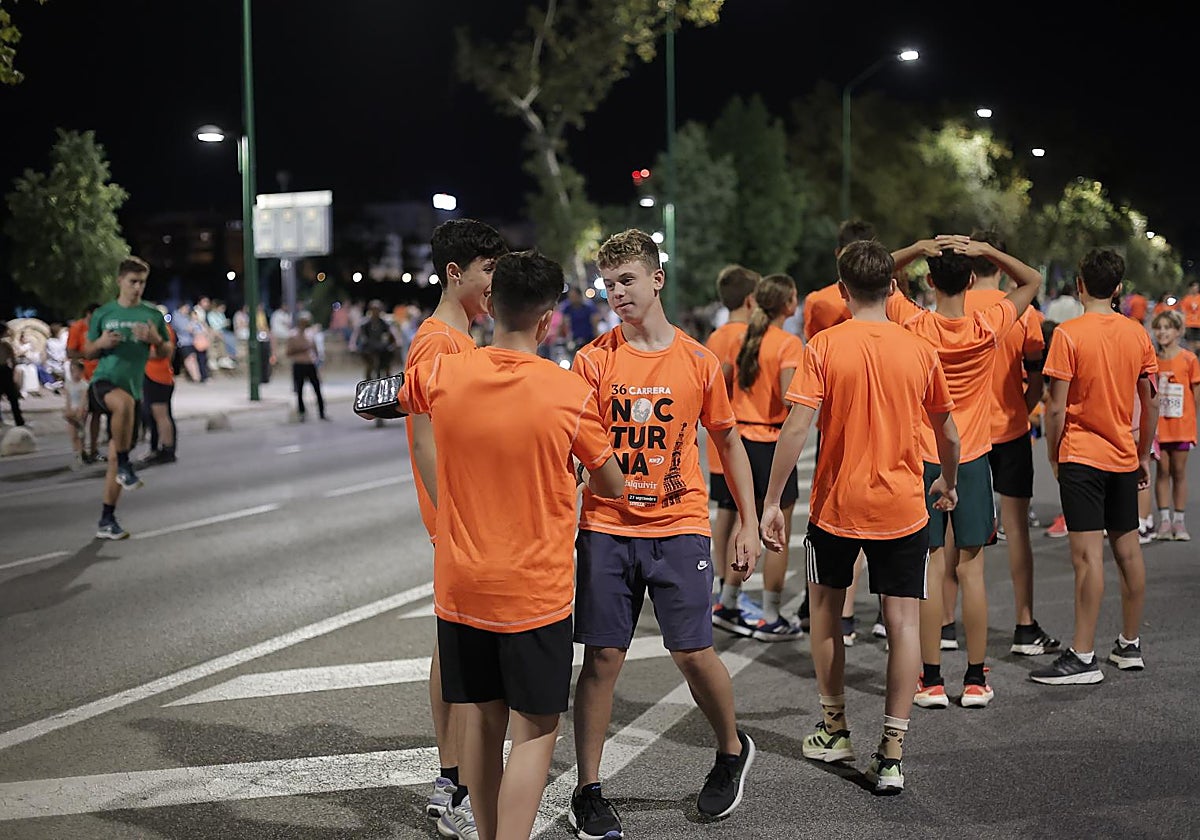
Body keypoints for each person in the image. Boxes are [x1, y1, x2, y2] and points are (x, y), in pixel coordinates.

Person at [400, 249, 624, 840]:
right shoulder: (567, 392)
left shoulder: (445, 373)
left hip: (461, 584)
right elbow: (614, 485)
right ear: (548, 319)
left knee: (479, 719)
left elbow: (388, 397)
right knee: (536, 730)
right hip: (534, 591)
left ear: (491, 306)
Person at [570, 229, 760, 836]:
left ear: (657, 279)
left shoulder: (698, 361)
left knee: (692, 652)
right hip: (605, 526)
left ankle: (731, 750)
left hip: (679, 527)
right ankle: (589, 789)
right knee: (601, 657)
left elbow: (728, 442)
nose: (617, 292)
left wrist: (749, 524)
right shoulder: (593, 360)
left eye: (627, 280)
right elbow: (574, 448)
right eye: (609, 283)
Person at [761, 239, 960, 795]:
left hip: (835, 505)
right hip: (903, 504)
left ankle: (835, 728)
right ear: (893, 288)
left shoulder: (824, 346)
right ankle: (892, 753)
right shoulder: (919, 348)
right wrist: (949, 480)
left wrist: (773, 501)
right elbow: (947, 429)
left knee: (825, 613)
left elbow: (797, 427)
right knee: (902, 625)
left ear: (843, 290)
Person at [887, 234, 1041, 709]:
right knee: (971, 569)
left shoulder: (913, 323)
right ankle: (976, 679)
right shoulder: (986, 326)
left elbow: (872, 273)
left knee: (933, 567)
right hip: (972, 458)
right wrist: (989, 251)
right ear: (972, 281)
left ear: (929, 281)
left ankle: (930, 680)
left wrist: (915, 248)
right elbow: (1031, 279)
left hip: (924, 454)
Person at [402, 218, 507, 837]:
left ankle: (455, 773)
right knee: (459, 650)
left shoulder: (463, 338)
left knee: (457, 645)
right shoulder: (438, 342)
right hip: (458, 523)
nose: (495, 281)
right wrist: (450, 519)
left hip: (471, 518)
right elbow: (424, 442)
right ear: (454, 274)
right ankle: (452, 775)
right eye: (487, 269)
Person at [1031, 248, 1157, 685]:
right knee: (1128, 550)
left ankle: (1083, 656)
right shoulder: (1137, 334)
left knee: (1088, 559)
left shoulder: (1068, 334)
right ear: (1119, 288)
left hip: (1082, 454)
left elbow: (1056, 408)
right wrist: (1141, 453)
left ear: (1081, 284)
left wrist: (1053, 454)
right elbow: (1151, 400)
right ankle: (1129, 643)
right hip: (1122, 453)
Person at [961, 229, 1060, 657]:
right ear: (1003, 262)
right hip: (1011, 431)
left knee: (955, 533)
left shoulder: (952, 307)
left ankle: (946, 623)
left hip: (964, 436)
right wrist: (1018, 408)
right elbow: (1036, 382)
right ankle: (1024, 624)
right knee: (1017, 529)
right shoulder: (1026, 313)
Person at [799, 219, 883, 641]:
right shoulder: (898, 307)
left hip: (835, 412)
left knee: (841, 511)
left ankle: (844, 613)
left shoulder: (818, 302)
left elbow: (812, 345)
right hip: (888, 417)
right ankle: (887, 611)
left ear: (839, 260)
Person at [728, 273, 805, 640]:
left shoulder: (746, 337)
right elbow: (791, 396)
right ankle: (771, 615)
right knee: (775, 531)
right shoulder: (788, 344)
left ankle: (728, 601)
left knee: (745, 521)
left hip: (741, 440)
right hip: (772, 442)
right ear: (788, 303)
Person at [83, 257, 171, 540]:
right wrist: (101, 344)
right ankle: (124, 463)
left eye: (142, 282)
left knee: (114, 457)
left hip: (133, 390)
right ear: (120, 281)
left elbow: (166, 352)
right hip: (104, 384)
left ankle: (107, 519)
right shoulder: (104, 313)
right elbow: (87, 351)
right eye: (132, 282)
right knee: (121, 405)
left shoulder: (151, 315)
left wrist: (156, 338)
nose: (137, 288)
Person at [706, 264, 763, 637]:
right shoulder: (754, 336)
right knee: (742, 517)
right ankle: (731, 595)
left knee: (724, 518)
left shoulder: (714, 337)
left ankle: (723, 593)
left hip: (717, 445)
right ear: (751, 299)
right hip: (744, 441)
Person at [1150, 309, 1198, 540]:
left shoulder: (1189, 359)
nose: (1162, 332)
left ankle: (1180, 521)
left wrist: (1191, 420)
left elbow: (1196, 395)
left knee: (1178, 472)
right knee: (1162, 471)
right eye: (1159, 327)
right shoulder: (1152, 360)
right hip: (1159, 428)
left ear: (1178, 331)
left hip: (1182, 427)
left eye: (1168, 327)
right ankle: (1164, 521)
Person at [138, 315, 178, 466]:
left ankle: (167, 449)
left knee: (161, 414)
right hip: (156, 375)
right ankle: (161, 447)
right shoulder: (164, 330)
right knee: (157, 414)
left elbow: (163, 352)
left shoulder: (162, 331)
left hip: (157, 376)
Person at [66, 303, 101, 459]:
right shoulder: (78, 328)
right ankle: (81, 450)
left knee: (97, 414)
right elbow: (70, 351)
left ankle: (94, 449)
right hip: (83, 378)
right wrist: (88, 354)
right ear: (88, 313)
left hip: (99, 376)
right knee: (81, 416)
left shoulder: (101, 327)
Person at [286, 312, 327, 421]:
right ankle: (302, 412)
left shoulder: (310, 334)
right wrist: (301, 349)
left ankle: (322, 412)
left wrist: (318, 361)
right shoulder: (293, 335)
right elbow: (289, 352)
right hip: (299, 363)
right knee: (299, 390)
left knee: (317, 388)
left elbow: (315, 349)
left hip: (310, 363)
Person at [558, 285, 599, 351]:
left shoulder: (588, 307)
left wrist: (596, 337)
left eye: (574, 296)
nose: (572, 299)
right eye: (570, 297)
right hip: (575, 339)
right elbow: (564, 323)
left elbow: (594, 322)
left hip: (589, 338)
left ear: (579, 296)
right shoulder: (567, 308)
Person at [0, 324, 25, 427]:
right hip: (5, 370)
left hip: (5, 370)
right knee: (13, 398)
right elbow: (13, 360)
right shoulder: (6, 345)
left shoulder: (6, 345)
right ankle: (19, 421)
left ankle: (19, 421)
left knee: (13, 398)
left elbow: (13, 360)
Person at [1180, 279, 1200, 354]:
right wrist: (1182, 324)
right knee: (1191, 344)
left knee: (1198, 343)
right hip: (1189, 324)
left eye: (1197, 287)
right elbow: (1183, 312)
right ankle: (1193, 360)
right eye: (1194, 286)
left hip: (1198, 324)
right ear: (1190, 288)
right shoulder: (1186, 299)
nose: (1196, 288)